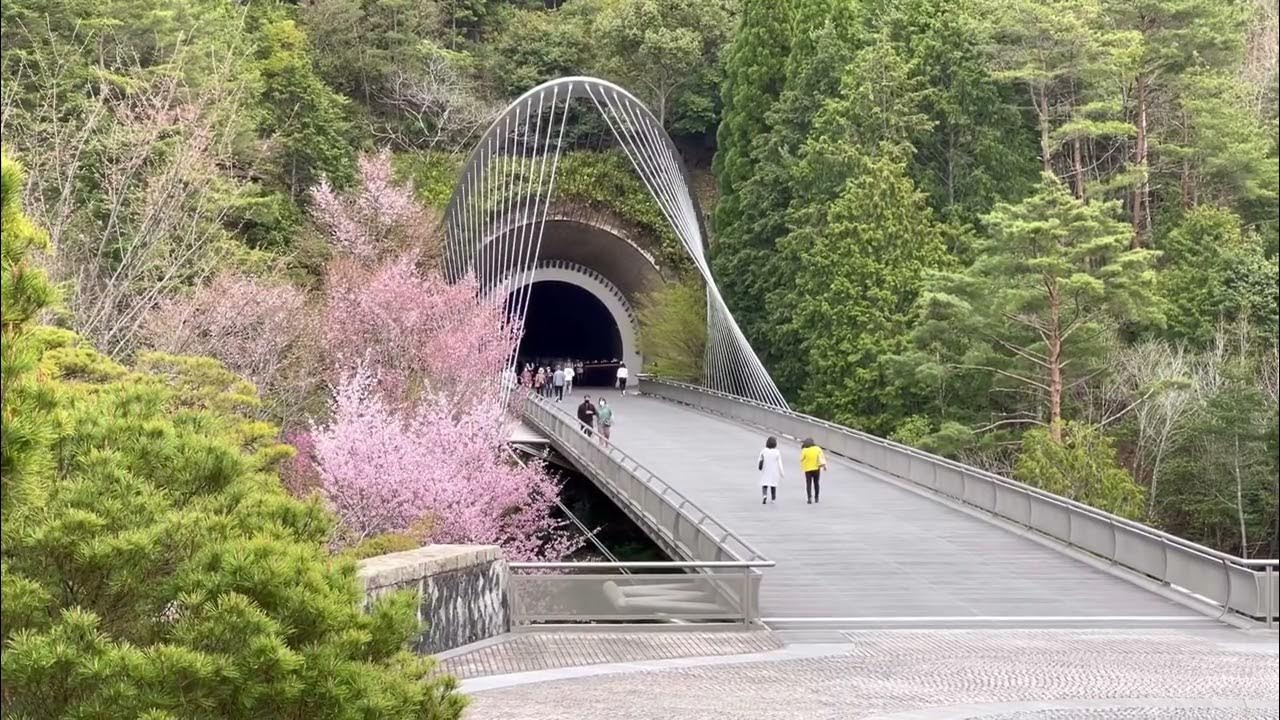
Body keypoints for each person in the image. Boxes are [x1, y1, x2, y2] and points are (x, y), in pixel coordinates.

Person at [800, 437, 827, 504]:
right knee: (816, 483)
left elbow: (801, 459)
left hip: (808, 469)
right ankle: (816, 497)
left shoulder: (804, 450)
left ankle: (809, 498)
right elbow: (822, 458)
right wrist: (824, 466)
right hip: (816, 469)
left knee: (808, 484)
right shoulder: (817, 449)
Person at [758, 436, 784, 504]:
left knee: (765, 484)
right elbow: (780, 463)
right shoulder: (777, 452)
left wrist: (760, 468)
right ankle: (773, 499)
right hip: (774, 471)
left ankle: (764, 495)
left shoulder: (763, 451)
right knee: (773, 485)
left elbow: (759, 460)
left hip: (765, 470)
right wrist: (782, 473)